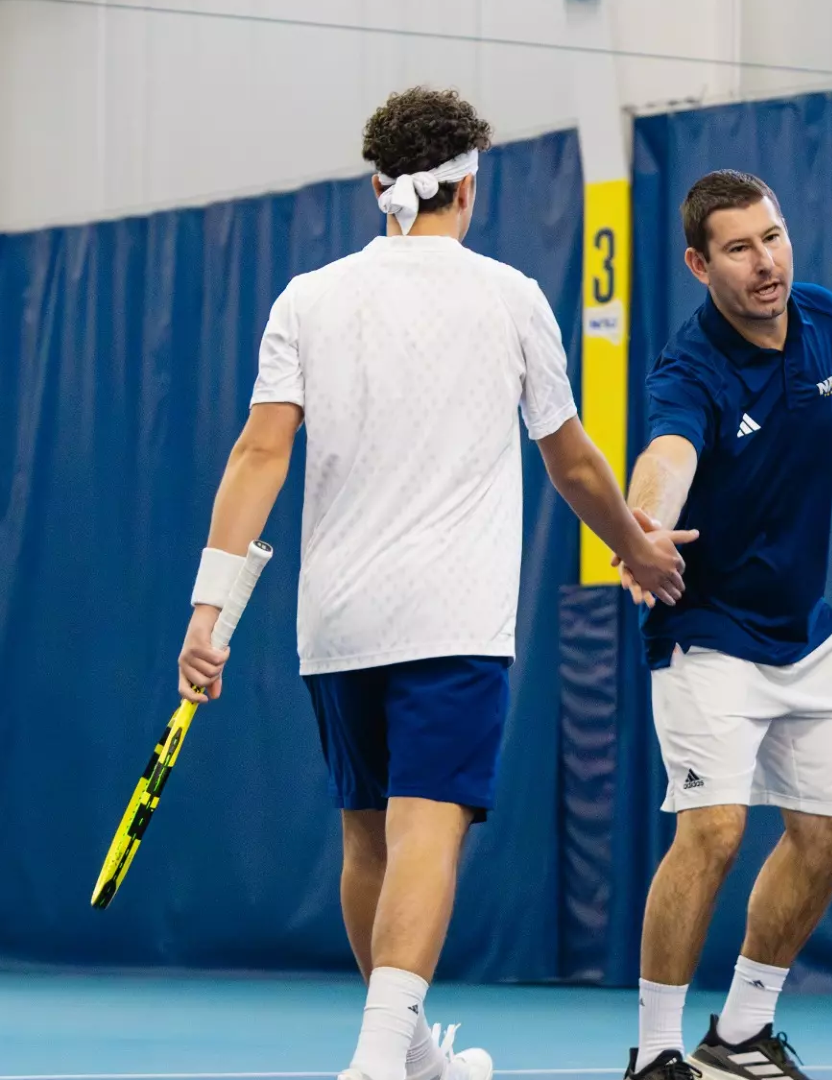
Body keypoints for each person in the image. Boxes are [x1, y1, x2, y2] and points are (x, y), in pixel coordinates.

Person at [176, 87, 697, 1080]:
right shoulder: (508, 297)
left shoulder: (305, 298)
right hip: (450, 619)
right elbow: (575, 461)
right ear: (468, 184)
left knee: (366, 839)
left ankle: (409, 1054)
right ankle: (375, 1065)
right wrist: (634, 546)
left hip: (334, 623)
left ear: (379, 185)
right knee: (426, 838)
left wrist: (212, 611)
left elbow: (258, 455)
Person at [618, 169, 832, 1080]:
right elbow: (664, 455)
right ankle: (658, 1053)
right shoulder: (689, 371)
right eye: (739, 249)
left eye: (773, 237)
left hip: (804, 631)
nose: (765, 263)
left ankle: (741, 1032)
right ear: (700, 265)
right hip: (707, 632)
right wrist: (645, 529)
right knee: (712, 831)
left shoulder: (822, 316)